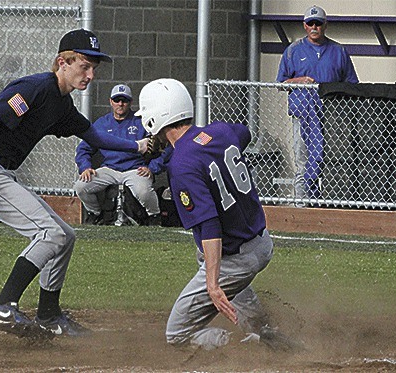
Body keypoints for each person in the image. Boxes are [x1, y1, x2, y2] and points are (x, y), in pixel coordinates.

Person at [0, 29, 149, 338]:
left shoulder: (63, 106)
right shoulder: (36, 88)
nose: (91, 74)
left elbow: (94, 137)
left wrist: (138, 147)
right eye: (84, 65)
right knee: (49, 232)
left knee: (64, 236)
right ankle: (3, 306)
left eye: (94, 67)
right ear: (61, 62)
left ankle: (49, 315)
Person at [135, 78, 299, 351]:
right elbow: (243, 133)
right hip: (262, 243)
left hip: (235, 257)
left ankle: (246, 347)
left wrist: (212, 284)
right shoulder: (219, 132)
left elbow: (209, 226)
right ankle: (264, 328)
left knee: (176, 335)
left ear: (155, 118)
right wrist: (212, 151)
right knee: (214, 264)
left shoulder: (182, 164)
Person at [276, 5, 358, 206]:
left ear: (325, 25)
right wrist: (300, 80)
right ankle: (302, 205)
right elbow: (280, 83)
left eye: (318, 23)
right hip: (303, 114)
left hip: (332, 118)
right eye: (310, 23)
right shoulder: (293, 51)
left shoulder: (338, 51)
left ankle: (329, 204)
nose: (314, 27)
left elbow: (352, 84)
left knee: (330, 161)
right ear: (304, 25)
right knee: (303, 160)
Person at [74, 83, 171, 226]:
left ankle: (154, 216)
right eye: (116, 100)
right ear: (110, 102)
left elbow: (167, 148)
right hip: (109, 168)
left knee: (144, 191)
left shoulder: (141, 122)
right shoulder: (102, 123)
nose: (120, 104)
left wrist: (152, 168)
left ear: (131, 102)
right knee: (81, 186)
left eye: (124, 100)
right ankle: (94, 213)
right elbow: (83, 149)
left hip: (135, 168)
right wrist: (85, 167)